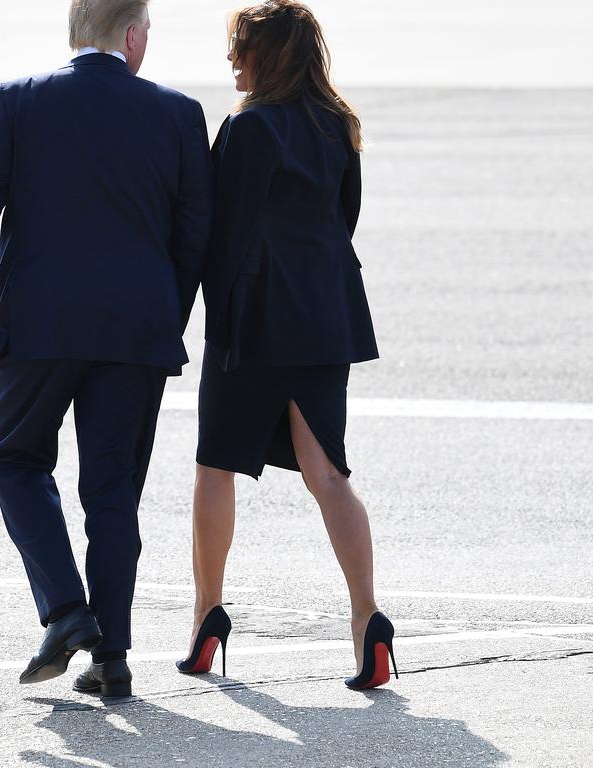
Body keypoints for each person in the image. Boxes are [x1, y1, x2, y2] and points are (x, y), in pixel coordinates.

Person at [0, 0, 213, 698]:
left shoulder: (18, 100)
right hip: (137, 333)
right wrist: (160, 319)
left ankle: (65, 611)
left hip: (38, 326)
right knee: (113, 494)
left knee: (12, 458)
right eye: (147, 30)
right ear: (129, 34)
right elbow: (193, 237)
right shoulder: (180, 115)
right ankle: (111, 659)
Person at [178, 0, 398, 690]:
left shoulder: (249, 130)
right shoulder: (338, 125)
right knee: (328, 473)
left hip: (257, 321)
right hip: (327, 317)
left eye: (239, 49)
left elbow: (225, 236)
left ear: (264, 56)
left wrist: (199, 321)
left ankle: (206, 616)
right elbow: (345, 221)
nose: (230, 61)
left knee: (217, 467)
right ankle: (368, 622)